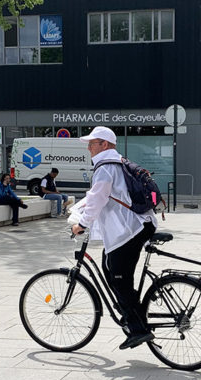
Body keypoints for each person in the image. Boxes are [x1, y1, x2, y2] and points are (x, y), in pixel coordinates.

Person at [71, 126, 157, 350]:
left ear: (105, 145)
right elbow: (97, 197)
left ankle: (138, 329)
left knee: (119, 279)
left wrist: (82, 224)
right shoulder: (116, 162)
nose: (89, 147)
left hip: (129, 230)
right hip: (135, 226)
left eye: (93, 143)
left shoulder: (105, 167)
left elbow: (98, 198)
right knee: (109, 267)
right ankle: (133, 310)